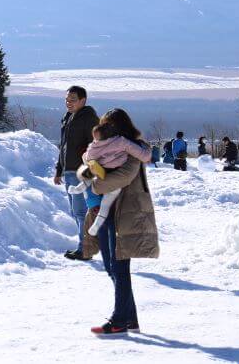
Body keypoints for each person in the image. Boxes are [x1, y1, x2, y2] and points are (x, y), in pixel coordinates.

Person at [80, 109, 159, 336]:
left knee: (119, 266)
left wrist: (95, 185)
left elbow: (123, 177)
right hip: (106, 212)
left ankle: (119, 320)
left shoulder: (133, 149)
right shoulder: (107, 146)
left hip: (125, 212)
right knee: (110, 266)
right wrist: (89, 167)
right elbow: (88, 161)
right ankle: (129, 318)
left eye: (108, 125)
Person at [70, 124, 153, 236]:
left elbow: (87, 159)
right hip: (117, 176)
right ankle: (97, 225)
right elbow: (144, 156)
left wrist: (86, 156)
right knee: (106, 204)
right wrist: (146, 148)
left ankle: (78, 189)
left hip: (102, 173)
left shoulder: (94, 147)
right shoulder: (121, 142)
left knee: (90, 175)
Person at [54, 86, 99, 261]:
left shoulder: (89, 119)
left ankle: (86, 249)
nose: (68, 102)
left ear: (82, 100)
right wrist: (59, 170)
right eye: (67, 99)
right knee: (76, 212)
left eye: (73, 99)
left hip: (82, 171)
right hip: (69, 171)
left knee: (81, 212)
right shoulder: (68, 118)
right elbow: (63, 147)